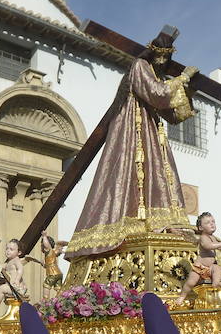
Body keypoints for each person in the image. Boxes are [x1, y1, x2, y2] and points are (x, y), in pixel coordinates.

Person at [64, 28, 198, 261]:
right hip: (131, 128)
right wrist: (183, 78)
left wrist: (188, 90)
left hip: (151, 131)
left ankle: (158, 226)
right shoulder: (139, 66)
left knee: (157, 176)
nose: (161, 62)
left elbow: (173, 115)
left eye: (166, 58)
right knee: (126, 175)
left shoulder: (158, 77)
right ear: (152, 54)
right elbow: (157, 94)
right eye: (159, 56)